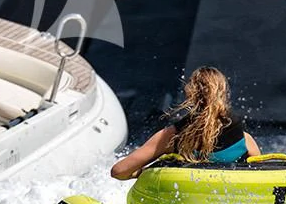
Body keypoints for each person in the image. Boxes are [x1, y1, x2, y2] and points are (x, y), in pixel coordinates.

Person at [111, 67, 261, 179]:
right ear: (223, 94)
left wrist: (145, 173)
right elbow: (262, 176)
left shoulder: (172, 136)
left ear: (189, 93)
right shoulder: (243, 139)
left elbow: (118, 171)